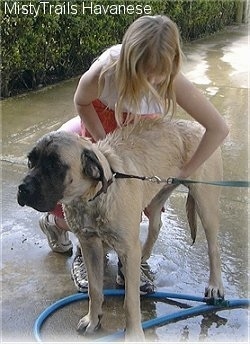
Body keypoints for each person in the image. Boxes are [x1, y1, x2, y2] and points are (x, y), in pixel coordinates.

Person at [39, 15, 229, 293]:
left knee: (130, 205)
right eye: (143, 72)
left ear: (172, 64)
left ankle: (136, 260)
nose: (151, 81)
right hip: (101, 124)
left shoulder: (172, 79)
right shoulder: (104, 73)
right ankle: (67, 234)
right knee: (82, 198)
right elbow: (81, 101)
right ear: (127, 60)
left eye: (158, 74)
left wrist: (185, 173)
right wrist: (103, 144)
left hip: (140, 129)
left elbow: (218, 128)